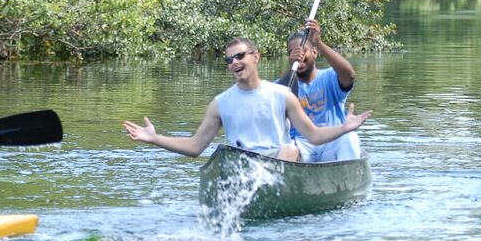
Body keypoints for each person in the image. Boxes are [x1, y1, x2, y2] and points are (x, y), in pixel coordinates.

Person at [124, 37, 371, 161]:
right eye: (229, 60)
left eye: (240, 56)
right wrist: (155, 138)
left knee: (287, 149)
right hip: (249, 166)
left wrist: (345, 127)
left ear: (256, 57)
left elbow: (315, 134)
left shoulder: (281, 95)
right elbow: (195, 146)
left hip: (279, 161)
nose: (234, 62)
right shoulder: (220, 103)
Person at [276, 19, 363, 162]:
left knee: (349, 136)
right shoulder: (284, 85)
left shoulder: (329, 77)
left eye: (303, 50)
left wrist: (319, 43)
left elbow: (349, 75)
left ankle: (346, 179)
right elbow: (276, 99)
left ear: (315, 52)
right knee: (285, 148)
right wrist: (292, 65)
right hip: (302, 146)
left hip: (332, 140)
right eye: (292, 53)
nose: (298, 56)